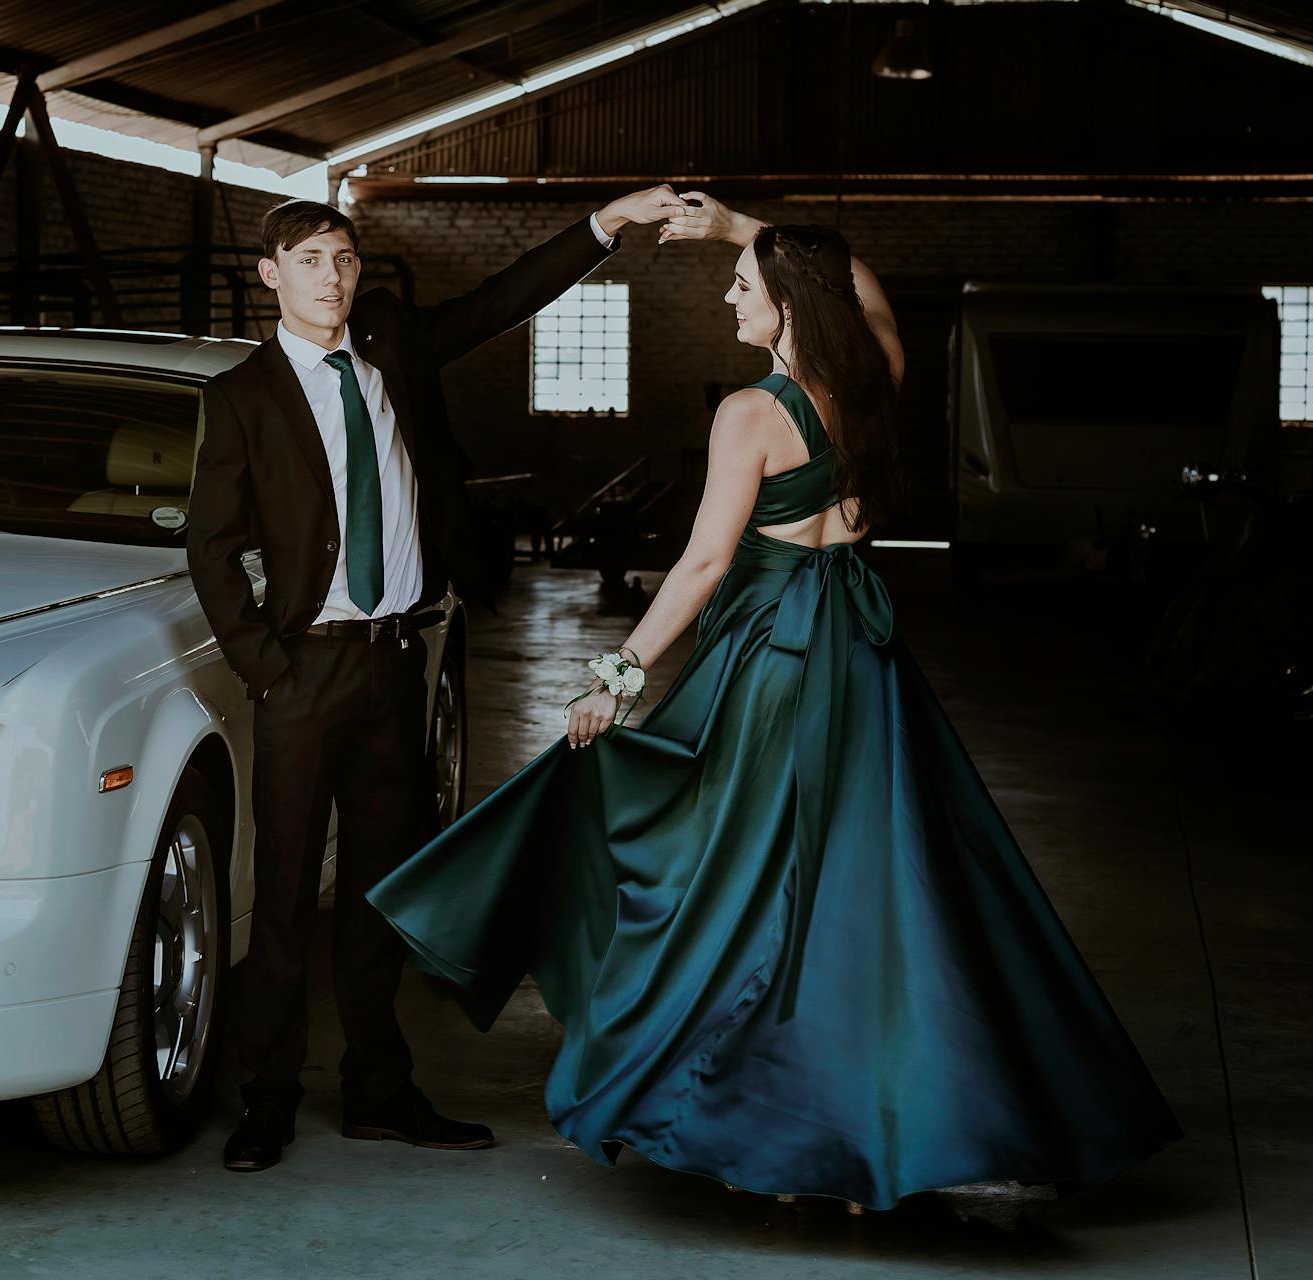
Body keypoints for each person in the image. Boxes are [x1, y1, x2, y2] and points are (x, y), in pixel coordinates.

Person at [366, 193, 1183, 1211]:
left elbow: (706, 560)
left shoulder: (752, 412)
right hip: (864, 660)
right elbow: (867, 295)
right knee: (868, 886)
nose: (727, 293)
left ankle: (769, 1119)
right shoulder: (868, 380)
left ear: (790, 302)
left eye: (744, 285)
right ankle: (884, 1119)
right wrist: (742, 227)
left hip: (778, 661)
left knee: (740, 877)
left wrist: (616, 675)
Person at [186, 186, 688, 1173]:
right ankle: (269, 1097)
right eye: (313, 260)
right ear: (270, 275)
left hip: (395, 663)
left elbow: (505, 298)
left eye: (345, 258)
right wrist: (266, 668)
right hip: (305, 670)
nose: (334, 276)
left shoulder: (394, 345)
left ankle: (380, 1088)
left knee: (382, 885)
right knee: (285, 892)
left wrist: (609, 221)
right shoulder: (240, 395)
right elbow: (212, 548)